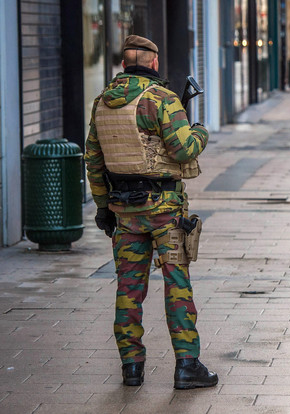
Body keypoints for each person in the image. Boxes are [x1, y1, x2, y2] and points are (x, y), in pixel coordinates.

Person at [84, 35, 218, 390]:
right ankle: (187, 366)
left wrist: (102, 209)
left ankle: (132, 368)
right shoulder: (162, 99)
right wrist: (200, 131)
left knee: (128, 289)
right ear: (154, 63)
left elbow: (94, 163)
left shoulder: (101, 103)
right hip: (164, 211)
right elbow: (184, 148)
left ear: (124, 64)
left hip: (124, 213)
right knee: (176, 283)